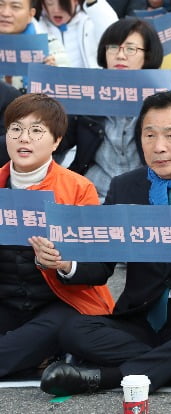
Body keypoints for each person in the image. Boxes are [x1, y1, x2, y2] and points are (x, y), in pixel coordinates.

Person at [39, 91, 171, 396]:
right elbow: (101, 266)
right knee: (73, 330)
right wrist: (66, 263)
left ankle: (109, 377)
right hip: (140, 319)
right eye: (149, 135)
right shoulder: (125, 186)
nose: (158, 146)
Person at [0, 93, 114, 379]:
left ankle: (38, 353)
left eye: (36, 131)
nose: (23, 138)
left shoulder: (78, 189)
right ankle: (40, 356)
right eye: (16, 129)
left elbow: (100, 269)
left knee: (44, 333)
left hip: (63, 302)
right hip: (8, 301)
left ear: (57, 141)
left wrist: (63, 264)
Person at [53, 17, 164, 201]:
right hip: (92, 196)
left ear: (148, 55)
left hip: (147, 199)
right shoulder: (87, 93)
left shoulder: (166, 97)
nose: (120, 55)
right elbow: (57, 143)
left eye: (130, 49)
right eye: (113, 48)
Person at [0, 0, 65, 91]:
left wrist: (54, 74)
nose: (5, 13)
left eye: (15, 6)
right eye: (0, 5)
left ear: (31, 14)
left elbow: (66, 89)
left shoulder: (50, 45)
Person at [37, 0, 118, 68]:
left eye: (63, 4)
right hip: (52, 85)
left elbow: (114, 34)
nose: (56, 10)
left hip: (88, 84)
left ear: (75, 1)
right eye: (50, 3)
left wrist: (93, 3)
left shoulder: (90, 22)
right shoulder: (37, 27)